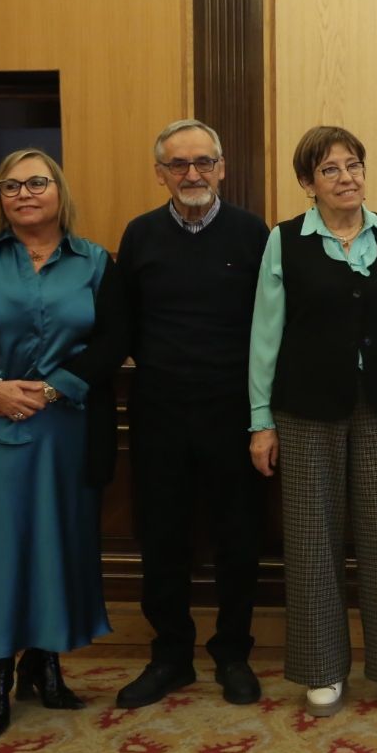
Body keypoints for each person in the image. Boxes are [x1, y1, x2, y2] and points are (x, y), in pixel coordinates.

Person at [0, 149, 128, 739]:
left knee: (60, 546)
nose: (24, 193)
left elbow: (113, 340)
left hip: (69, 427)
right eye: (10, 186)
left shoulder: (95, 262)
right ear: (0, 199)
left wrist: (53, 388)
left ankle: (45, 666)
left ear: (58, 191)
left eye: (36, 182)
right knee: (3, 552)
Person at [249, 125, 377, 717]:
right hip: (304, 407)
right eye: (329, 169)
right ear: (308, 183)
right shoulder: (284, 242)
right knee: (312, 540)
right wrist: (261, 419)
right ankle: (323, 668)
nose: (346, 177)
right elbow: (265, 334)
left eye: (353, 165)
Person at [114, 119, 270, 709]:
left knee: (238, 539)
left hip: (234, 412)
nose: (192, 174)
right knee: (163, 539)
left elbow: (270, 324)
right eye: (178, 165)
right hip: (158, 412)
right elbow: (123, 322)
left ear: (222, 168)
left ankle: (233, 653)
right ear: (161, 174)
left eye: (203, 162)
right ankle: (171, 656)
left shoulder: (253, 233)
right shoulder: (140, 235)